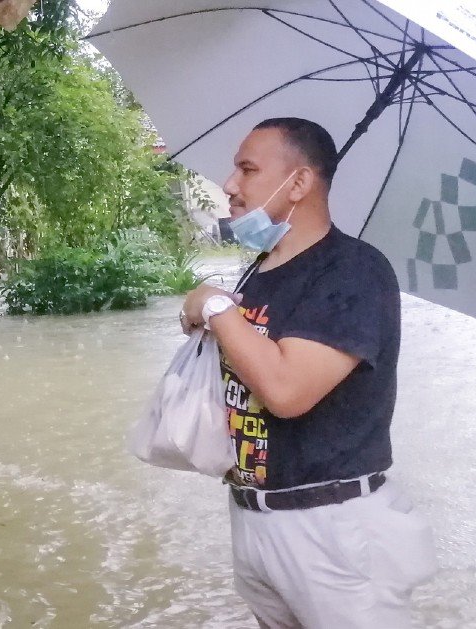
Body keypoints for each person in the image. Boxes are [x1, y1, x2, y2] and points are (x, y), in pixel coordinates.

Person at [180, 118, 436, 628]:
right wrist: (202, 311)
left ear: (299, 183)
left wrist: (214, 308)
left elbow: (286, 390)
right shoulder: (262, 269)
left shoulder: (354, 271)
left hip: (334, 531)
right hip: (254, 516)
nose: (230, 184)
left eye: (247, 169)